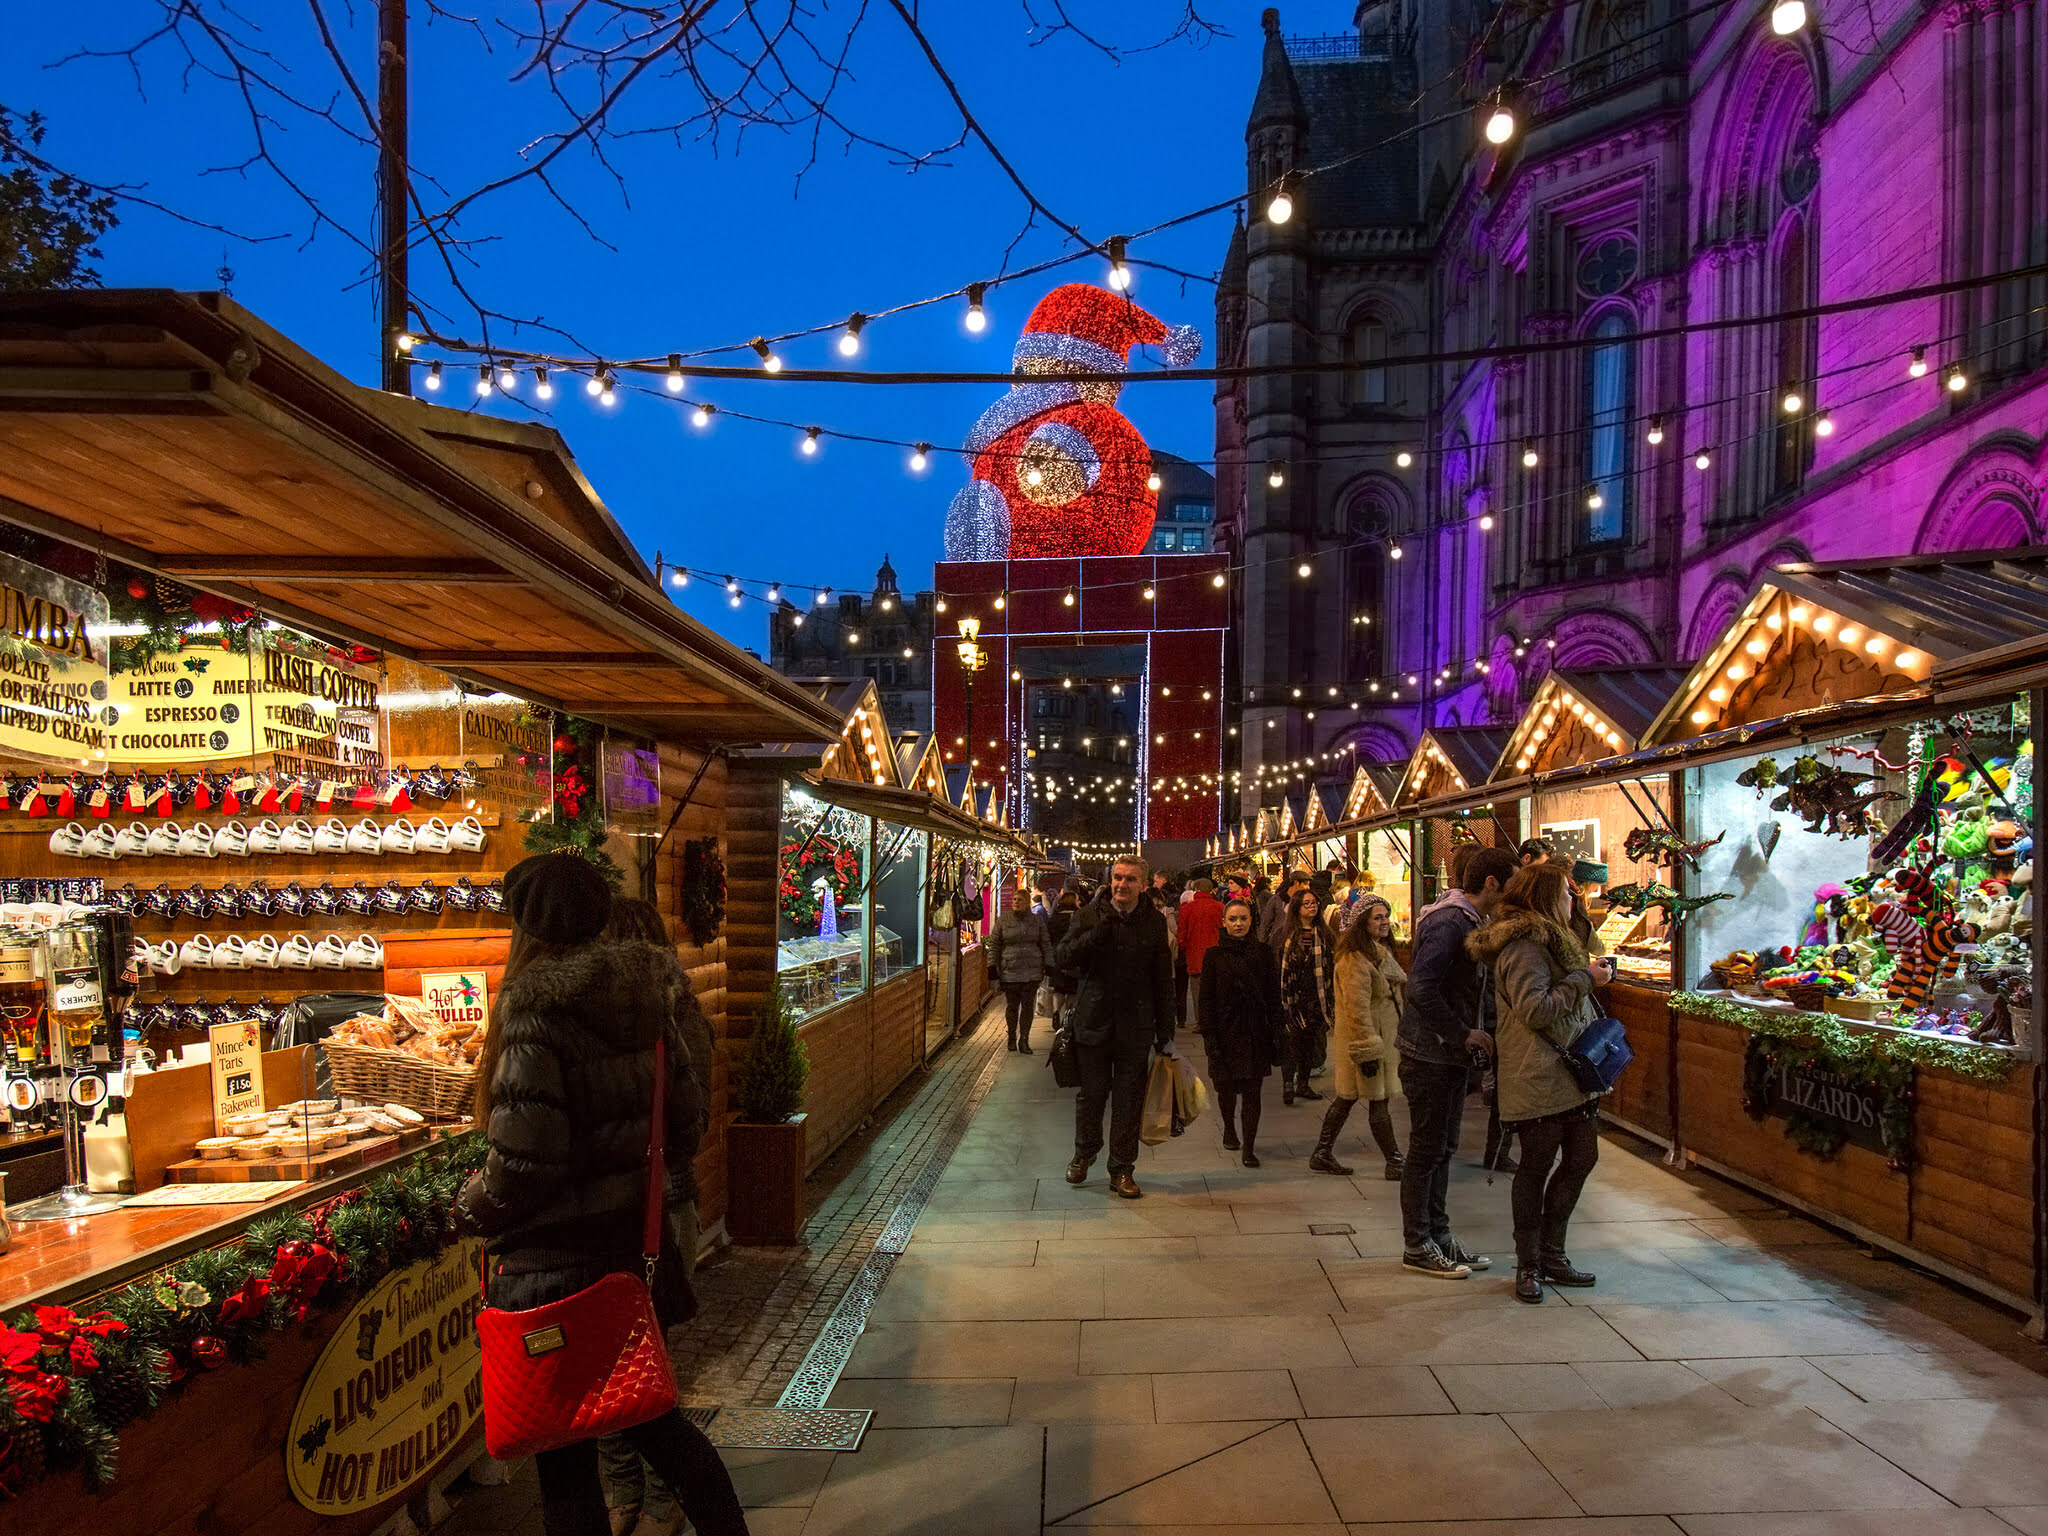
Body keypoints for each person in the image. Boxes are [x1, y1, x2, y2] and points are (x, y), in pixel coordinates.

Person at [456, 852, 749, 1536]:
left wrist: (470, 1203)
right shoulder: (648, 999)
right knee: (663, 1432)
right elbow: (684, 1123)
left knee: (563, 1461)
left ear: (527, 926)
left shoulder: (533, 1011)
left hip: (550, 1268)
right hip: (624, 1257)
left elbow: (523, 1164)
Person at [594, 898, 715, 1536]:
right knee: (623, 1360)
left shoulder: (676, 1018)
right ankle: (629, 1495)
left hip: (655, 1211)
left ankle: (655, 1499)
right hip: (646, 1208)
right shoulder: (663, 1015)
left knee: (645, 1359)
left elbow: (692, 1125)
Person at [1466, 863, 1617, 1303]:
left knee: (1581, 1158)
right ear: (1549, 897)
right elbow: (1535, 1009)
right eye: (1568, 894)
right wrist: (1586, 978)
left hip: (1571, 1074)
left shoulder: (1554, 938)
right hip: (1540, 1073)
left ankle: (1553, 1254)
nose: (1574, 900)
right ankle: (1529, 1264)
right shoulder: (1524, 946)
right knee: (1536, 1166)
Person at [1394, 843, 1519, 1279]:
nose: (1513, 894)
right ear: (1490, 883)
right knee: (1426, 1151)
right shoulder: (1450, 922)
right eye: (1511, 885)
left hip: (1444, 1056)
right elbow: (1420, 988)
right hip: (1429, 1055)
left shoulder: (1466, 919)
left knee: (1442, 1149)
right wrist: (1463, 1032)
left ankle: (1439, 1236)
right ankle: (1417, 1244)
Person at [1054, 854, 1178, 1199]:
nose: (1122, 885)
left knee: (1128, 1100)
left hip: (1135, 1028)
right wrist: (1098, 933)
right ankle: (1084, 1152)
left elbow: (1162, 979)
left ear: (1143, 884)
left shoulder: (1153, 922)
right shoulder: (1088, 915)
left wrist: (1165, 1032)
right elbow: (1063, 958)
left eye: (1130, 879)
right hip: (1093, 1023)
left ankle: (1122, 1168)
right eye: (1118, 878)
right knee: (1091, 1095)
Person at [1319, 893, 1406, 1179]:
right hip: (1367, 1041)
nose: (1384, 922)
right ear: (1362, 924)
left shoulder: (1377, 951)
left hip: (1377, 1038)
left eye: (1385, 916)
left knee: (1348, 1097)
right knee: (1376, 1100)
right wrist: (1367, 1050)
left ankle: (1321, 1153)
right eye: (1377, 917)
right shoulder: (1354, 959)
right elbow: (1356, 1009)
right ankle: (1394, 1162)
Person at [1198, 897, 1286, 1167]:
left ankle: (1249, 1146)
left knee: (1252, 1091)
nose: (1238, 924)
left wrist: (1279, 1029)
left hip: (1254, 1033)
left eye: (1243, 919)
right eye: (1233, 919)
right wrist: (1209, 1037)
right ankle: (1229, 1128)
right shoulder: (1213, 956)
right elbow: (1206, 1000)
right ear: (1224, 922)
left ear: (1251, 921)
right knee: (1224, 1089)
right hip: (1224, 1033)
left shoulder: (1262, 953)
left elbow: (1273, 994)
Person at [1277, 886, 1334, 1106]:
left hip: (1316, 996)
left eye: (1314, 903)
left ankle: (1302, 1083)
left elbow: (1330, 964)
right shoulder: (1286, 934)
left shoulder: (1324, 933)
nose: (1312, 907)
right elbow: (1281, 968)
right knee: (1292, 1043)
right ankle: (1287, 1086)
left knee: (1309, 1043)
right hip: (1294, 997)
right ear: (1297, 909)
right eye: (1306, 904)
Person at [988, 886, 1052, 1054]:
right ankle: (1011, 1037)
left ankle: (1024, 1038)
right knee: (1012, 1006)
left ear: (1027, 903)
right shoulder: (1004, 920)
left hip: (1032, 970)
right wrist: (991, 965)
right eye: (1014, 899)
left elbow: (1045, 943)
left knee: (1028, 1005)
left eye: (1020, 899)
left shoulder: (1037, 921)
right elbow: (995, 944)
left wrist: (1049, 963)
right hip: (1010, 970)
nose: (1016, 902)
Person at [1177, 877, 1225, 1031]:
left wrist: (1183, 948)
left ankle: (1201, 1022)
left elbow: (1181, 934)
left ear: (1196, 890)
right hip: (1216, 955)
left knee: (1198, 991)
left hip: (1195, 955)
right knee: (1216, 990)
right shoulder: (1220, 907)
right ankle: (1216, 1020)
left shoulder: (1187, 908)